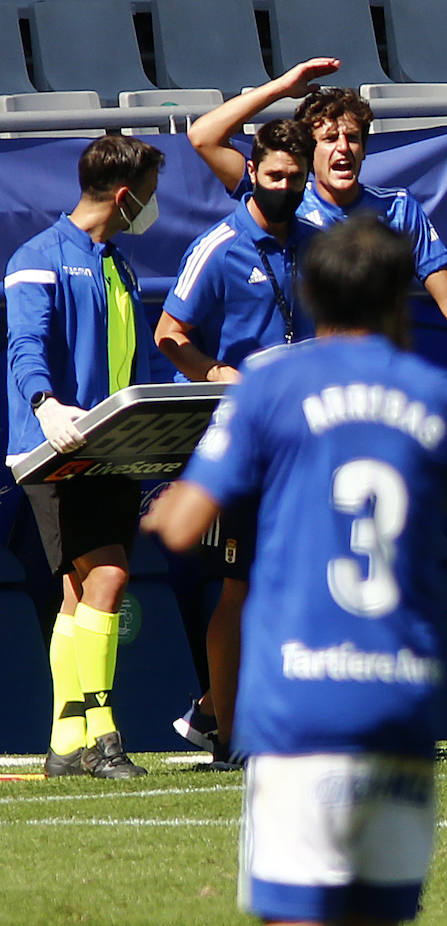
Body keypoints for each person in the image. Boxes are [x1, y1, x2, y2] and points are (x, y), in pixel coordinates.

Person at [144, 217, 447, 924]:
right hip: (398, 695)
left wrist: (163, 505)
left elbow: (182, 527)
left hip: (298, 698)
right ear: (402, 295)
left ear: (311, 293)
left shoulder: (269, 388)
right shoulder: (442, 400)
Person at [156, 118, 319, 768]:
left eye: (295, 178)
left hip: (305, 438)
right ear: (251, 170)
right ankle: (227, 738)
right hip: (243, 439)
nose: (285, 187)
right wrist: (215, 373)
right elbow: (170, 331)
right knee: (239, 585)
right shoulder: (220, 245)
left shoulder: (317, 241)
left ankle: (241, 714)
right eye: (274, 176)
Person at [4, 135, 164, 779]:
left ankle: (65, 744)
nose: (151, 208)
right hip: (60, 449)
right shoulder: (35, 259)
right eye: (148, 197)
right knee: (109, 578)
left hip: (116, 447)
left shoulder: (117, 264)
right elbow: (24, 345)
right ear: (124, 196)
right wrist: (44, 405)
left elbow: (137, 365)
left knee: (76, 592)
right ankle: (103, 735)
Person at [187, 57, 447, 337]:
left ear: (364, 148)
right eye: (329, 139)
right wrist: (281, 88)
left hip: (372, 368)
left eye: (352, 138)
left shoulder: (398, 208)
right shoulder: (283, 196)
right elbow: (203, 136)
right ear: (308, 151)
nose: (343, 148)